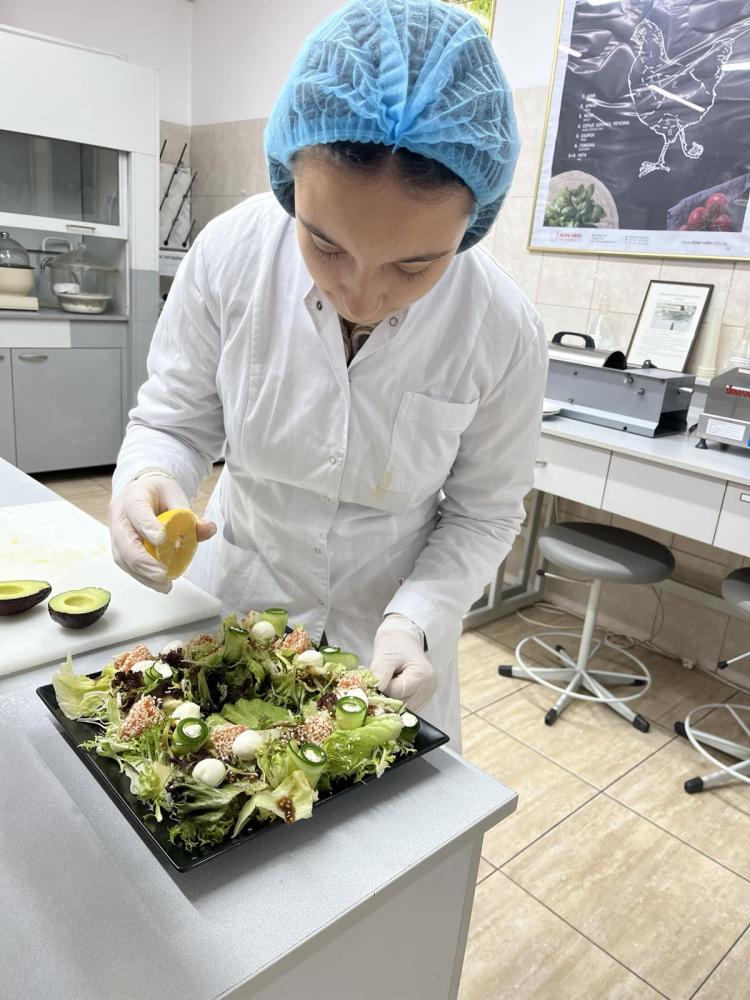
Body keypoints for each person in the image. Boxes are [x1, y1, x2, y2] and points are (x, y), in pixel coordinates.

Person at [110, 0, 547, 747]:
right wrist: (146, 480)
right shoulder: (230, 255)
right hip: (239, 601)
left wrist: (415, 619)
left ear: (472, 224)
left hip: (386, 641)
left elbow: (484, 513)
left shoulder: (501, 328)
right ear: (290, 182)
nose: (361, 296)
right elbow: (174, 421)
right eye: (325, 244)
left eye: (414, 265)